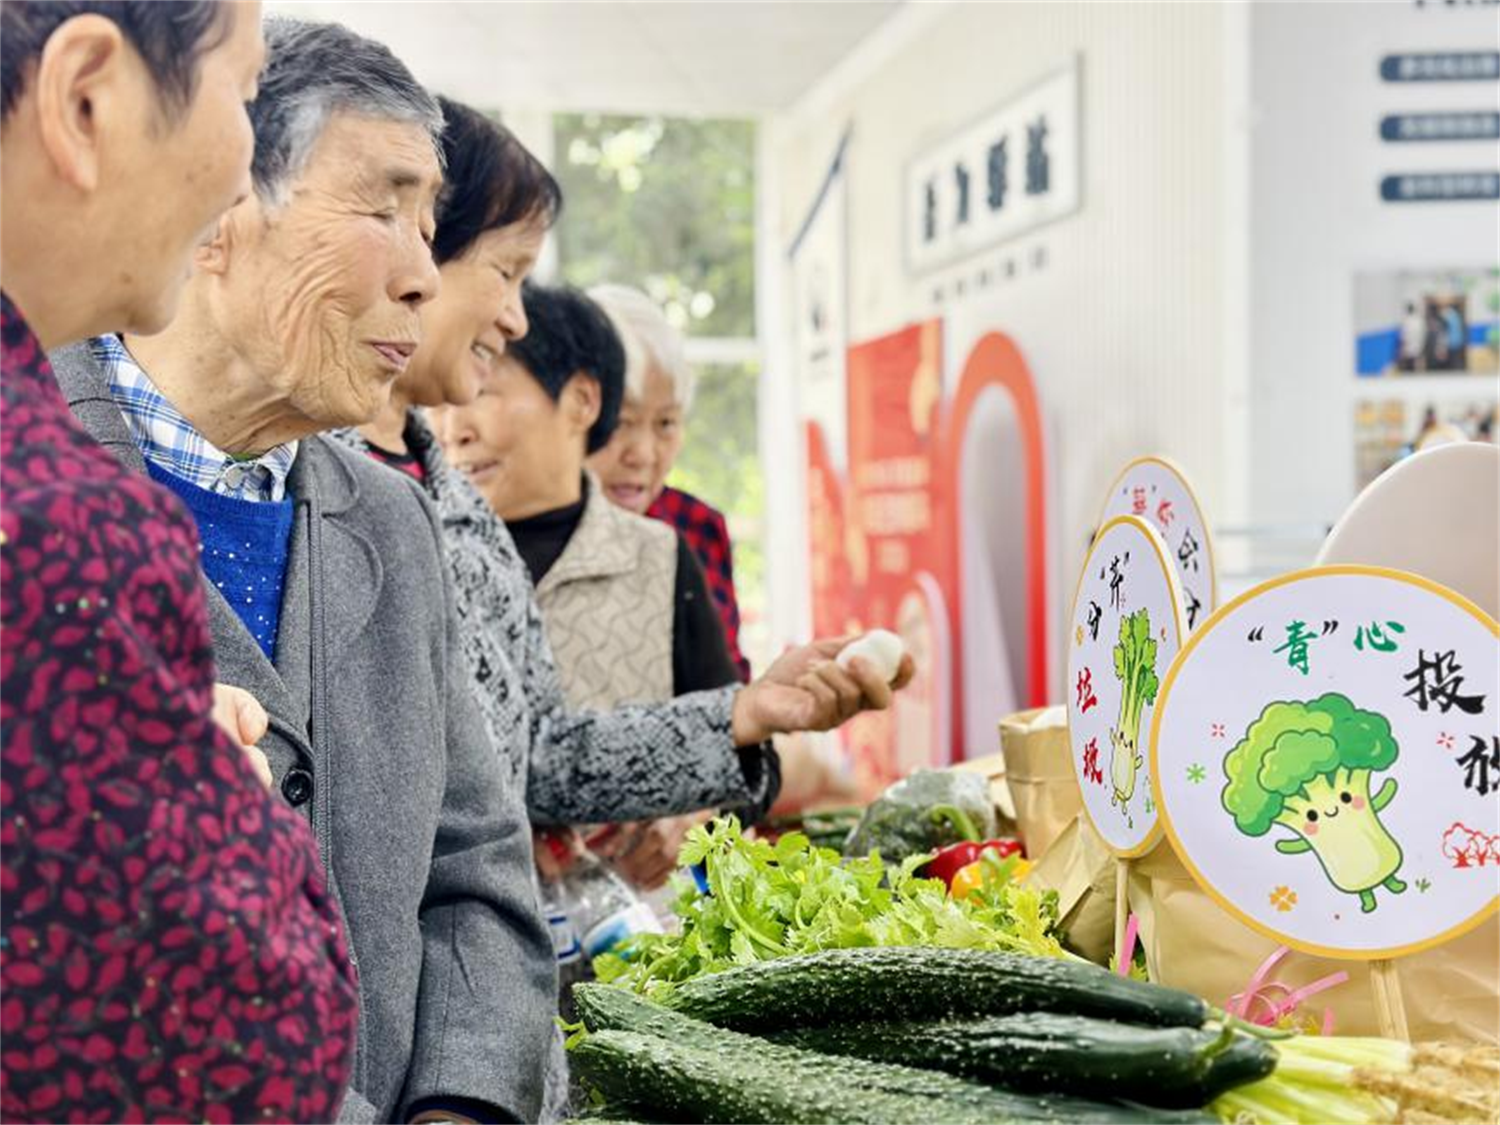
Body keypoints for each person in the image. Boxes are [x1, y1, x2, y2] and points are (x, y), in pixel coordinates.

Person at [49, 20, 553, 1125]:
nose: (426, 277)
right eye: (384, 209)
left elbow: (476, 871)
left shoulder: (393, 520)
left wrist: (462, 1104)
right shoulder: (31, 485)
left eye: (431, 227)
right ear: (222, 198)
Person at [0, 2, 358, 1120]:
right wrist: (231, 816)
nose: (242, 169)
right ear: (87, 98)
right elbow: (249, 1050)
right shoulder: (60, 522)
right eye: (244, 96)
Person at [587, 284, 751, 680]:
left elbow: (729, 686)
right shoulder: (528, 529)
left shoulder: (696, 528)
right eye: (620, 423)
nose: (643, 454)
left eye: (666, 424)